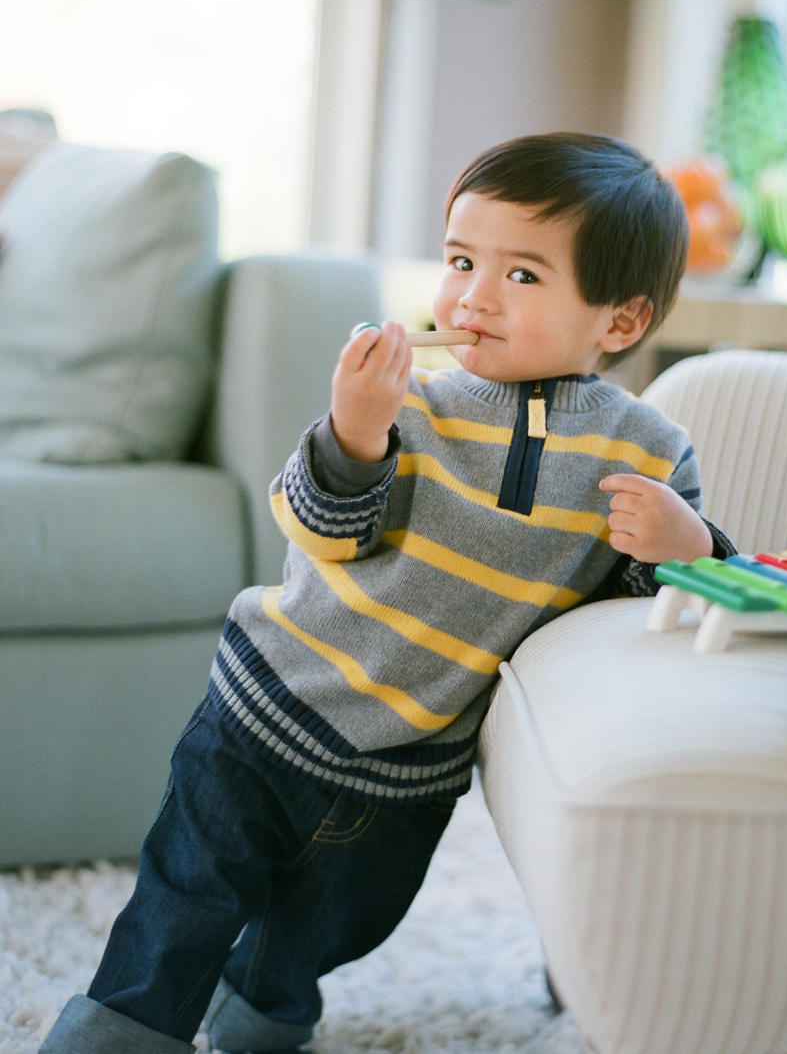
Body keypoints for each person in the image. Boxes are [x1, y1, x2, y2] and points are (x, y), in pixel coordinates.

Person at [41, 132, 734, 1054]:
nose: (473, 296)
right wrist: (353, 433)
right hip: (267, 702)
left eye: (521, 276)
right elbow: (319, 528)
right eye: (460, 260)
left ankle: (264, 1003)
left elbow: (649, 604)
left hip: (412, 764)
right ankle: (121, 1029)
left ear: (618, 320)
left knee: (338, 923)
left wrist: (686, 543)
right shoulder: (413, 404)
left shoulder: (649, 448)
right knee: (187, 889)